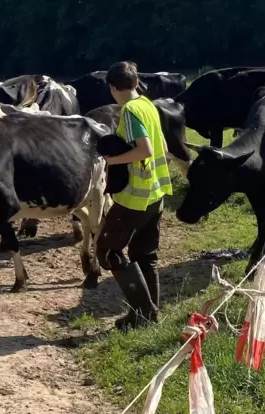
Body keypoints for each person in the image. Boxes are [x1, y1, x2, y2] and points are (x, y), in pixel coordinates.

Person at [97, 61, 172, 331]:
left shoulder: (129, 111)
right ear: (136, 83)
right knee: (145, 254)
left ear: (113, 88)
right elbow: (162, 145)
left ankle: (142, 313)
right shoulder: (148, 104)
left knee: (108, 251)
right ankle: (150, 314)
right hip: (156, 193)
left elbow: (146, 149)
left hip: (134, 198)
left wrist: (113, 160)